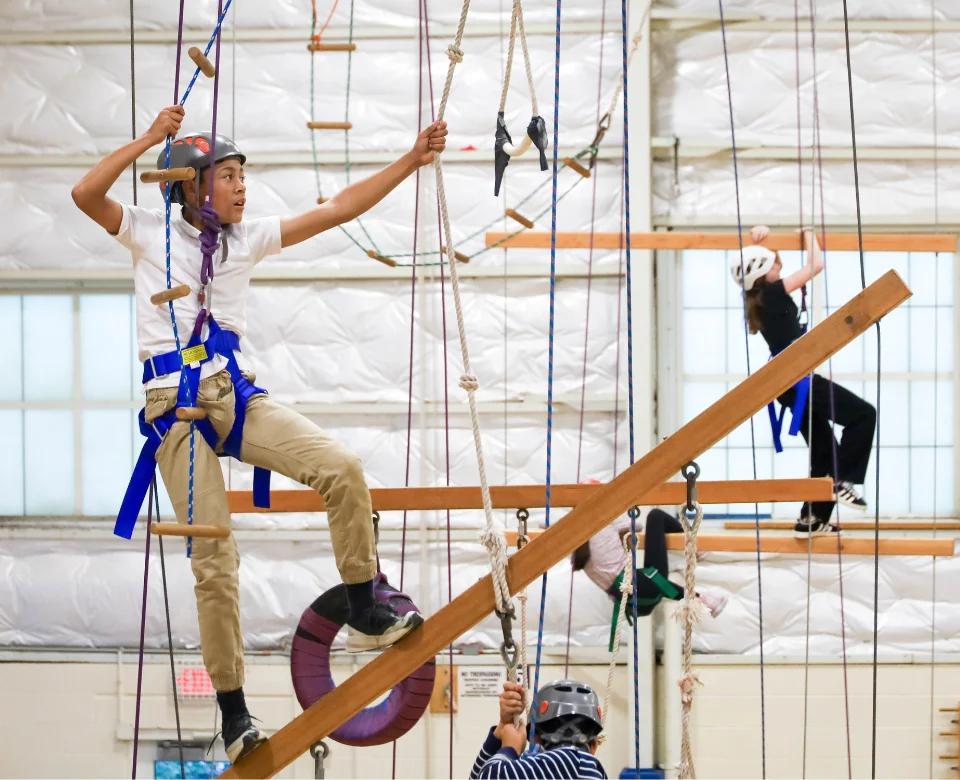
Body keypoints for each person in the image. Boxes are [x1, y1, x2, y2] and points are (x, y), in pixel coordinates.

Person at [70, 105, 448, 761]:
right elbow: (84, 194)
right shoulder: (146, 232)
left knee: (343, 468)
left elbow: (337, 210)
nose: (243, 188)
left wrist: (409, 162)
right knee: (215, 565)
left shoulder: (246, 238)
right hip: (174, 405)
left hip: (232, 393)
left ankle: (365, 605)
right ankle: (236, 713)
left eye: (244, 175)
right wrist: (148, 142)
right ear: (193, 185)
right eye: (230, 176)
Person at [731, 225, 877, 537]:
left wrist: (764, 242)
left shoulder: (759, 298)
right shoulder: (771, 292)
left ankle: (812, 518)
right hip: (796, 380)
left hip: (787, 383)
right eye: (777, 264)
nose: (781, 268)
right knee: (864, 415)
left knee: (823, 447)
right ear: (765, 271)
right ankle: (843, 481)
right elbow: (816, 265)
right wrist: (809, 233)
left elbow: (756, 261)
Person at [571, 497, 727, 639]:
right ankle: (695, 549)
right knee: (655, 516)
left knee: (651, 579)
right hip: (640, 587)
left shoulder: (576, 550)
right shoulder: (604, 525)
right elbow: (636, 526)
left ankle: (703, 599)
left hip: (630, 602)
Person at [470, 680, 607, 779]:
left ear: (534, 738)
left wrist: (510, 749)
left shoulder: (568, 762)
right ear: (594, 745)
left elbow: (488, 776)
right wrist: (501, 728)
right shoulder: (595, 770)